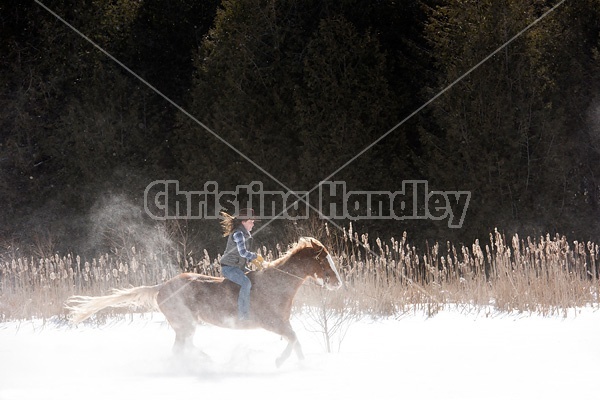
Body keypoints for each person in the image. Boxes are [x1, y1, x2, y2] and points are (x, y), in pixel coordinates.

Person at [219, 208, 264, 321]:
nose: (253, 224)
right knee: (246, 283)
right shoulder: (238, 234)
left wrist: (253, 261)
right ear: (243, 222)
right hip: (229, 268)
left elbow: (241, 256)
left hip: (238, 267)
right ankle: (243, 316)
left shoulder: (244, 234)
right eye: (251, 222)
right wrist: (255, 256)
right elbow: (242, 252)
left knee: (255, 277)